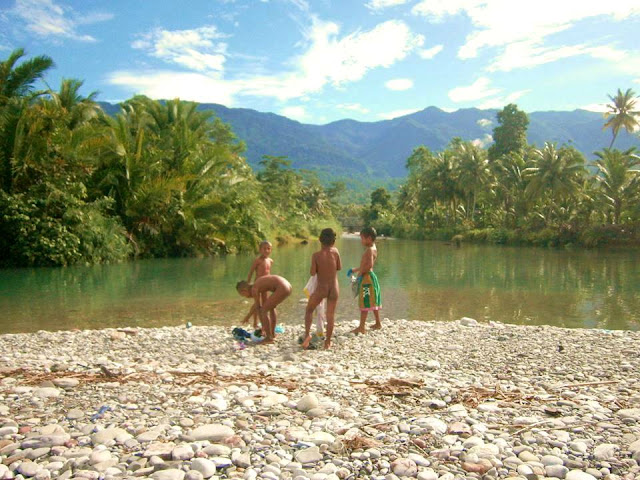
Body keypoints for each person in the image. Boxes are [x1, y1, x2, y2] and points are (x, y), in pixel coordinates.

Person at [301, 228, 341, 350]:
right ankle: (328, 342)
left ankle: (307, 335)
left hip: (321, 288)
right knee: (330, 315)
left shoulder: (316, 255)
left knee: (309, 310)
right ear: (333, 242)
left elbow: (313, 273)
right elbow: (339, 267)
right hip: (334, 288)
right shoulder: (336, 252)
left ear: (320, 240)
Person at [237, 275, 292, 344]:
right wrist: (248, 317)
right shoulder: (258, 285)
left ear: (244, 291)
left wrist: (263, 326)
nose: (246, 297)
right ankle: (272, 334)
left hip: (282, 288)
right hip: (287, 286)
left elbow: (258, 308)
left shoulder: (254, 289)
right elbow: (256, 306)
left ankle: (268, 338)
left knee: (264, 310)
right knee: (271, 308)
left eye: (243, 295)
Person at [351, 226, 382, 334]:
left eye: (362, 238)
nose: (361, 241)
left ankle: (361, 327)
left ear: (368, 238)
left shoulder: (369, 250)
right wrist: (356, 269)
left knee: (365, 301)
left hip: (367, 279)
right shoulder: (373, 247)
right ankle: (378, 323)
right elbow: (367, 264)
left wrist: (360, 275)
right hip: (371, 277)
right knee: (373, 300)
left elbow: (369, 265)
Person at [246, 241, 274, 330]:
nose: (266, 250)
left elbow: (269, 273)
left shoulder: (270, 261)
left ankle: (264, 322)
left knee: (265, 303)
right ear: (260, 250)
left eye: (268, 248)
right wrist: (248, 284)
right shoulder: (258, 260)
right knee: (257, 303)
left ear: (271, 250)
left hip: (266, 285)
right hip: (257, 285)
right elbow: (250, 272)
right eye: (264, 248)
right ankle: (255, 321)